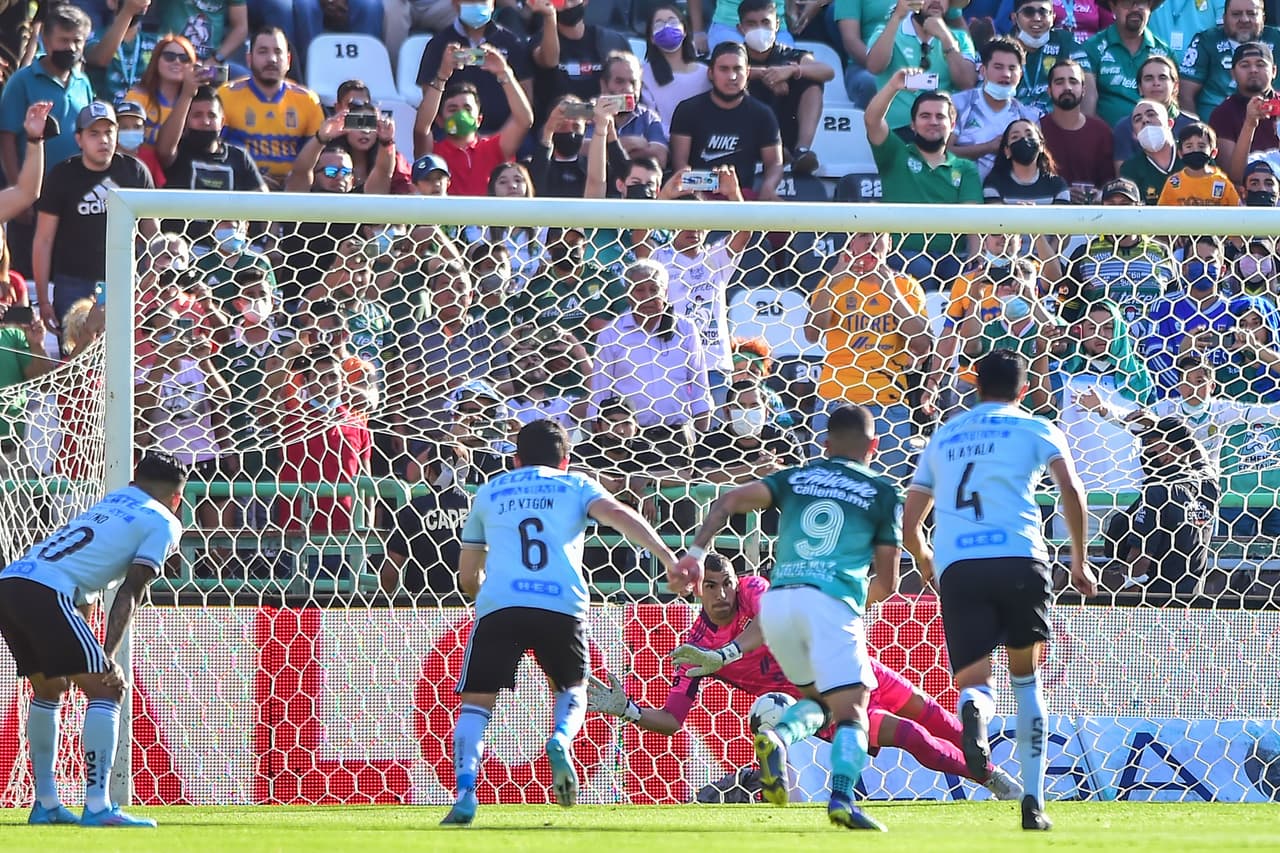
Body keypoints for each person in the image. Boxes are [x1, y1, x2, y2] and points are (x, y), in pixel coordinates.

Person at [586, 552, 1021, 799]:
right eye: (711, 586)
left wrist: (728, 654)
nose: (722, 594)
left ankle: (994, 769)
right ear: (695, 590)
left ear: (738, 581)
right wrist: (626, 709)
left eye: (726, 583)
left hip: (853, 666)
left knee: (941, 719)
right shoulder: (694, 647)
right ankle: (996, 783)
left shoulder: (755, 591)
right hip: (821, 705)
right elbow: (672, 720)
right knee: (911, 735)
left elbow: (770, 625)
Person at [670, 404, 901, 830]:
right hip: (831, 602)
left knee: (816, 702)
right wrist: (851, 609)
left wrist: (696, 554)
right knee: (853, 712)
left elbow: (729, 500)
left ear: (825, 444)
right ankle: (842, 800)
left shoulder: (796, 478)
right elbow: (886, 582)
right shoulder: (883, 493)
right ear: (875, 446)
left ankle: (777, 737)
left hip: (778, 603)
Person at [442, 418, 679, 825]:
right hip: (561, 605)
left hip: (502, 605)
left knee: (477, 703)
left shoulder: (490, 490)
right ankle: (560, 739)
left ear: (515, 460)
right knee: (572, 687)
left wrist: (490, 596)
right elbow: (619, 514)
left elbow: (467, 578)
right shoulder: (576, 485)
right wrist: (668, 558)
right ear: (565, 460)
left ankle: (466, 791)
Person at [902, 350, 1096, 832]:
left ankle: (973, 711)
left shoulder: (944, 436)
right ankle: (1033, 803)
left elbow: (910, 519)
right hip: (1020, 560)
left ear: (974, 387)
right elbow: (1070, 489)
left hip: (961, 567)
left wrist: (926, 559)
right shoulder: (1036, 429)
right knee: (1026, 681)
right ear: (1024, 390)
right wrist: (1079, 559)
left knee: (975, 681)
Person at [0, 451, 187, 827]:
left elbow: (84, 584)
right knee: (107, 690)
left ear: (134, 482)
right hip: (47, 591)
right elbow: (131, 589)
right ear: (177, 498)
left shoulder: (112, 501)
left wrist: (82, 650)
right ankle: (99, 807)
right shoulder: (164, 521)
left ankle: (47, 804)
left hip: (12, 582)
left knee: (49, 690)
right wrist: (107, 657)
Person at [805, 231, 931, 485]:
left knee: (884, 493)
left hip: (888, 405)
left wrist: (892, 293)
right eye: (863, 236)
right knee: (823, 490)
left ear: (890, 243)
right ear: (851, 242)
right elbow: (811, 333)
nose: (870, 243)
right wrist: (833, 280)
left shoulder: (906, 285)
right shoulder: (834, 282)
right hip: (835, 400)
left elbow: (922, 345)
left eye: (877, 235)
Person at [32, 101, 156, 337]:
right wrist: (43, 301)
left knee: (127, 360)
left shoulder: (136, 172)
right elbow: (43, 240)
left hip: (125, 280)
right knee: (74, 360)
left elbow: (153, 236)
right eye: (94, 133)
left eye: (109, 132)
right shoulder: (62, 175)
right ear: (79, 139)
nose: (103, 140)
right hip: (74, 282)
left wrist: (149, 282)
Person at [864, 75, 983, 289]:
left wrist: (975, 261)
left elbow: (973, 222)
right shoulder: (895, 154)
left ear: (952, 124)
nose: (933, 122)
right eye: (925, 116)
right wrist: (893, 86)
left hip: (951, 257)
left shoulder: (965, 169)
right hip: (903, 255)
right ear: (913, 124)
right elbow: (872, 120)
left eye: (940, 116)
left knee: (968, 276)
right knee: (920, 268)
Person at [1102, 416, 1220, 599]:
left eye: (1152, 443)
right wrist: (1167, 426)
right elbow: (1197, 452)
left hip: (1155, 605)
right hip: (1193, 602)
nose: (1146, 450)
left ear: (1175, 448)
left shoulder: (1158, 491)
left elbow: (1140, 557)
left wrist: (1125, 599)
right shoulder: (1208, 483)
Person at [668, 42, 784, 201]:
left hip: (742, 196)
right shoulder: (688, 110)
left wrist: (768, 187)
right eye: (724, 69)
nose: (732, 77)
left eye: (738, 69)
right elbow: (680, 165)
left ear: (747, 72)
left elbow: (774, 164)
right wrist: (697, 194)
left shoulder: (763, 114)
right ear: (711, 73)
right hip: (697, 195)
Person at [217, 25, 325, 188]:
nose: (272, 59)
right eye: (263, 52)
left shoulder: (308, 100)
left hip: (291, 195)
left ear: (288, 60)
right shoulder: (226, 96)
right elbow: (214, 152)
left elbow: (316, 161)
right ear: (249, 59)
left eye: (278, 52)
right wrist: (252, 179)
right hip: (240, 194)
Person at [412, 0, 537, 140]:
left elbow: (526, 95)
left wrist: (504, 72)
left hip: (505, 136)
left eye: (483, 1)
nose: (477, 4)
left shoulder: (512, 42)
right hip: (454, 135)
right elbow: (428, 104)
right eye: (470, 1)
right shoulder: (438, 45)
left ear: (493, 4)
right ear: (455, 3)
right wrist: (443, 73)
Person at [416, 49, 533, 196]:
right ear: (439, 120)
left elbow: (524, 120)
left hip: (490, 218)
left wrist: (504, 73)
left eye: (467, 108)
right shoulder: (434, 153)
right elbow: (422, 128)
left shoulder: (495, 148)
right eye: (453, 109)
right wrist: (442, 76)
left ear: (479, 119)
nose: (461, 114)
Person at [738, 0, 833, 174]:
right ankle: (768, 148)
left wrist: (791, 70)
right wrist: (767, 75)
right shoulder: (734, 54)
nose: (759, 28)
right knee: (733, 81)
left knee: (811, 81)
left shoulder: (790, 54)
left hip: (786, 127)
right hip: (745, 135)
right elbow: (713, 71)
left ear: (777, 25)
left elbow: (827, 71)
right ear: (740, 28)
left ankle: (802, 152)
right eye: (751, 23)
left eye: (765, 22)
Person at [865, 0, 980, 131]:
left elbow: (967, 82)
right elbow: (874, 67)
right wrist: (897, 17)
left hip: (939, 131)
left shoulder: (960, 38)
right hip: (895, 132)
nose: (937, 1)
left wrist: (945, 38)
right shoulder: (887, 32)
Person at [949, 36, 1040, 180]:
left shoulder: (1028, 117)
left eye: (1012, 68)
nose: (1006, 74)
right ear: (983, 71)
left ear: (1020, 74)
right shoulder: (958, 104)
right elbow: (942, 153)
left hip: (1007, 196)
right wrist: (987, 147)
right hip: (960, 191)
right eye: (998, 67)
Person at [1179, 0, 1280, 119]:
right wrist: (1195, 132)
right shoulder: (1206, 40)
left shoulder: (1277, 39)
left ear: (1263, 17)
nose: (1244, 19)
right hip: (1215, 126)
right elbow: (1185, 94)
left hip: (1270, 122)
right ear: (1224, 18)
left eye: (1251, 13)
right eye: (1236, 14)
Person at [1080, 0, 1173, 128]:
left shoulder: (1165, 53)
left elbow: (1173, 105)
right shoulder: (1092, 48)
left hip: (1156, 138)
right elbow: (1087, 106)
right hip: (1108, 139)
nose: (1135, 9)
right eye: (1128, 3)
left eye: (1141, 3)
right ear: (1113, 6)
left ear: (1150, 7)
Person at [1039, 58, 1116, 198]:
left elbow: (1110, 183)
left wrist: (1097, 196)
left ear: (1083, 90)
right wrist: (1063, 194)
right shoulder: (1037, 131)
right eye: (1059, 82)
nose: (1067, 87)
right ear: (1049, 90)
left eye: (1073, 82)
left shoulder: (1101, 132)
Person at [1009, 0, 1093, 117]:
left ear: (1053, 17)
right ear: (1014, 18)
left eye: (1043, 12)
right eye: (1029, 12)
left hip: (1058, 125)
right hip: (1013, 126)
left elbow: (1089, 90)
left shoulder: (1066, 42)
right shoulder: (1003, 48)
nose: (1037, 18)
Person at [1212, 41, 1280, 184]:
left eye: (1261, 64)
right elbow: (1234, 177)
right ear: (1233, 74)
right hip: (1246, 195)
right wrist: (1249, 124)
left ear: (1274, 71)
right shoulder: (1223, 113)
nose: (1253, 70)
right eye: (1245, 65)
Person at [640, 3, 711, 129]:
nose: (667, 28)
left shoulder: (705, 73)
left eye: (673, 22)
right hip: (661, 143)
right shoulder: (644, 74)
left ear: (685, 31)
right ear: (651, 37)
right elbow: (649, 121)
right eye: (659, 24)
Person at [122, 33, 199, 145]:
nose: (177, 62)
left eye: (184, 58)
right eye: (169, 56)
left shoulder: (198, 102)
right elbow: (127, 144)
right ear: (156, 61)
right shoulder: (137, 97)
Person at [982, 118, 1071, 203]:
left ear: (1041, 146)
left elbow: (1060, 217)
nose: (1024, 139)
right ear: (1007, 150)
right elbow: (995, 217)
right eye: (1015, 137)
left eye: (1029, 135)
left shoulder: (1057, 185)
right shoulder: (994, 184)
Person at [1157, 123, 1242, 206]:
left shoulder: (1222, 182)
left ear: (1213, 152)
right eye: (1189, 146)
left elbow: (1238, 213)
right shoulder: (1173, 183)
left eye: (1201, 146)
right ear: (1180, 153)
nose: (1195, 150)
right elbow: (1161, 215)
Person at [1119, 99, 1181, 203]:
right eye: (1138, 119)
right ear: (1135, 135)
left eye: (1151, 114)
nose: (1145, 120)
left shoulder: (1193, 154)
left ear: (1170, 123)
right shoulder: (1130, 168)